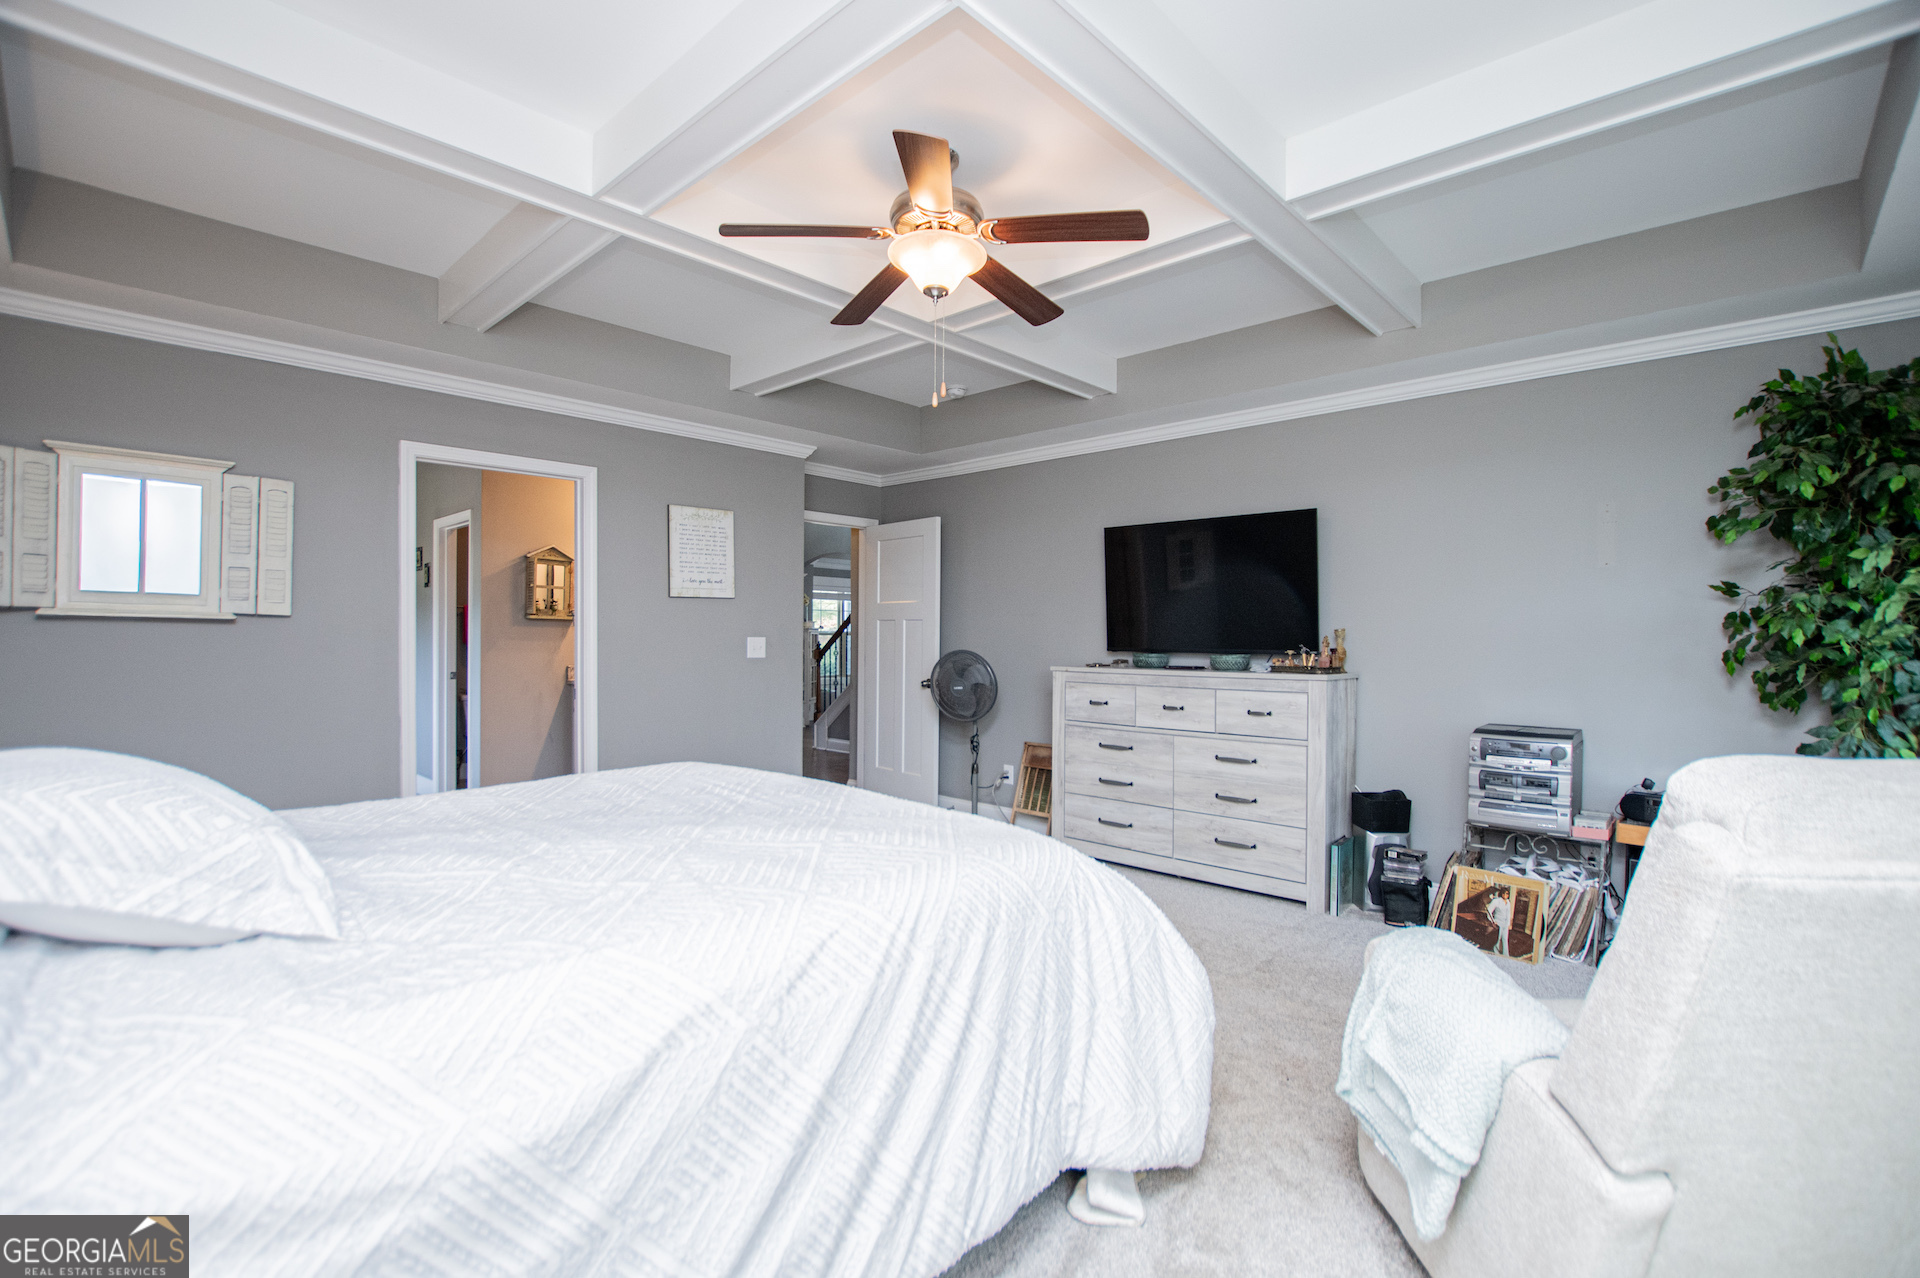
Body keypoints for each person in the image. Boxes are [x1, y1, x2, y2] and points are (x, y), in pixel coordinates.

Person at [1487, 885, 1513, 957]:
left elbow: (1508, 914)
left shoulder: (1508, 902)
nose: (1505, 895)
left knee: (1505, 939)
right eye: (1504, 893)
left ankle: (1506, 955)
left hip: (1505, 923)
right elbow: (1489, 911)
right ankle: (1496, 954)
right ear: (1501, 894)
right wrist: (1493, 921)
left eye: (1507, 894)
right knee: (1497, 939)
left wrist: (1508, 924)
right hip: (1498, 922)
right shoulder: (1496, 901)